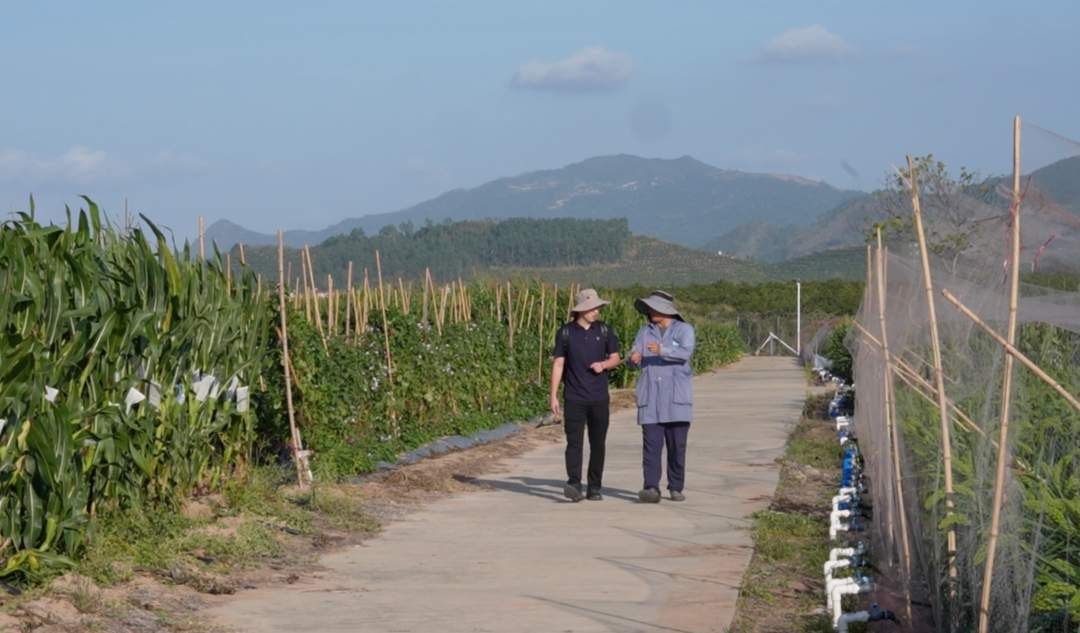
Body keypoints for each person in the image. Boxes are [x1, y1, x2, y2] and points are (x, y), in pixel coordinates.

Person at [550, 288, 621, 502]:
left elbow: (616, 357)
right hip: (574, 397)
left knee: (598, 444)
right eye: (591, 308)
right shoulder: (565, 333)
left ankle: (594, 487)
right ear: (580, 310)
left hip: (599, 397)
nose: (596, 311)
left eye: (597, 308)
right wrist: (553, 395)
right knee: (574, 443)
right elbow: (558, 364)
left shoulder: (605, 330)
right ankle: (574, 484)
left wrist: (604, 365)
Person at [628, 290, 695, 503]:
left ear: (664, 310)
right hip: (651, 398)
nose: (649, 312)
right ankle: (651, 487)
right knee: (651, 446)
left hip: (676, 400)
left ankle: (675, 487)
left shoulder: (684, 329)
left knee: (677, 447)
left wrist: (661, 350)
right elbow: (634, 353)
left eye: (652, 308)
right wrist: (633, 358)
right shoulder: (644, 331)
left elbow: (685, 353)